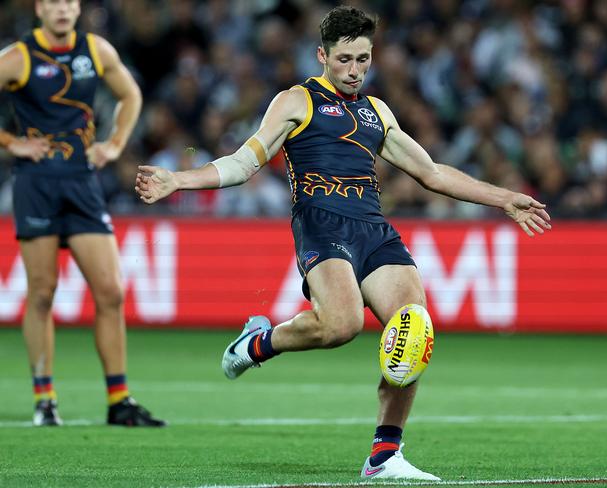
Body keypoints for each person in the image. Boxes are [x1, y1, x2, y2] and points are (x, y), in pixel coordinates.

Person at [135, 6, 551, 479]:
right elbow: (242, 163)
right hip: (321, 223)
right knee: (341, 325)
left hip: (372, 227)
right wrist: (178, 180)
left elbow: (431, 173)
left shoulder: (377, 113)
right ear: (322, 56)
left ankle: (385, 455)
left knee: (413, 326)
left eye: (364, 60)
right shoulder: (297, 100)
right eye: (345, 59)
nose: (355, 71)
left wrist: (505, 200)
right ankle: (258, 343)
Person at [0, 0, 164, 427]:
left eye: (69, 2)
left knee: (110, 291)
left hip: (81, 183)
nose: (62, 9)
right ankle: (45, 398)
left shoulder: (96, 50)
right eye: (53, 2)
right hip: (36, 185)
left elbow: (130, 94)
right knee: (41, 293)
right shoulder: (18, 57)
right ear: (40, 9)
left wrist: (113, 145)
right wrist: (10, 143)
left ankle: (119, 400)